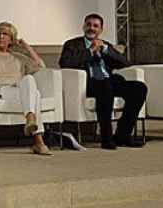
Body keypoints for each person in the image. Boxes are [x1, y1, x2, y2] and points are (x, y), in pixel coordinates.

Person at [59, 13, 147, 150]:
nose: (91, 28)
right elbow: (65, 63)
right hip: (88, 83)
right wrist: (90, 51)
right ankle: (106, 138)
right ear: (83, 26)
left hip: (109, 81)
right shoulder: (72, 44)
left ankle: (122, 135)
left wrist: (106, 50)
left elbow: (124, 63)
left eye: (95, 26)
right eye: (88, 25)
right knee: (105, 86)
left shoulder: (106, 45)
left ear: (100, 30)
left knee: (139, 88)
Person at [0, 22, 52, 155]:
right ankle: (38, 139)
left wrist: (26, 47)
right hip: (3, 90)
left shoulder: (18, 57)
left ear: (11, 39)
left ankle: (31, 119)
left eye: (5, 34)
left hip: (20, 90)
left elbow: (40, 66)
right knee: (35, 95)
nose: (0, 37)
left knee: (29, 80)